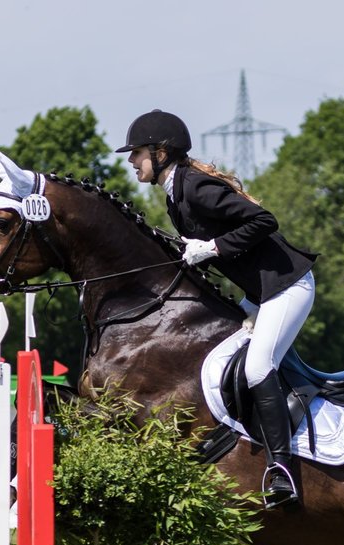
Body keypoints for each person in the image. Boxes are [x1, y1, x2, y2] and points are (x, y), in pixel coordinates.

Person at [117, 109, 317, 508]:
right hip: (261, 294)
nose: (130, 161)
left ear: (161, 152)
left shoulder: (194, 187)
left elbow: (264, 220)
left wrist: (212, 248)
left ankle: (283, 471)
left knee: (259, 366)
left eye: (136, 153)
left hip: (287, 287)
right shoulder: (176, 194)